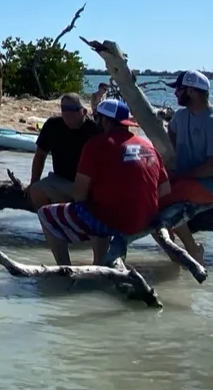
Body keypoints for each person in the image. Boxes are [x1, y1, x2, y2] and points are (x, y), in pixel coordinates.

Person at [37, 97, 168, 266]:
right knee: (99, 206)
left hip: (112, 221)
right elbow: (164, 189)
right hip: (146, 219)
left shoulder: (96, 145)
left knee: (46, 214)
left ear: (105, 121)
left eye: (97, 117)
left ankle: (64, 270)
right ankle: (99, 261)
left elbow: (79, 194)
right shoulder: (148, 146)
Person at [163, 69, 213, 266]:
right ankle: (174, 253)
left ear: (192, 91)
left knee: (163, 198)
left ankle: (192, 249)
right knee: (149, 194)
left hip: (212, 185)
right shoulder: (181, 116)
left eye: (179, 89)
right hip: (186, 179)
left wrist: (181, 176)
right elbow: (169, 137)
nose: (175, 93)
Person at [29, 91, 102, 208]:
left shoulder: (94, 130)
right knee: (36, 190)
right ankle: (50, 224)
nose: (67, 113)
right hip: (60, 180)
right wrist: (33, 181)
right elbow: (40, 155)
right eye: (64, 108)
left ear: (83, 111)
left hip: (87, 184)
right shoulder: (53, 126)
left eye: (72, 108)